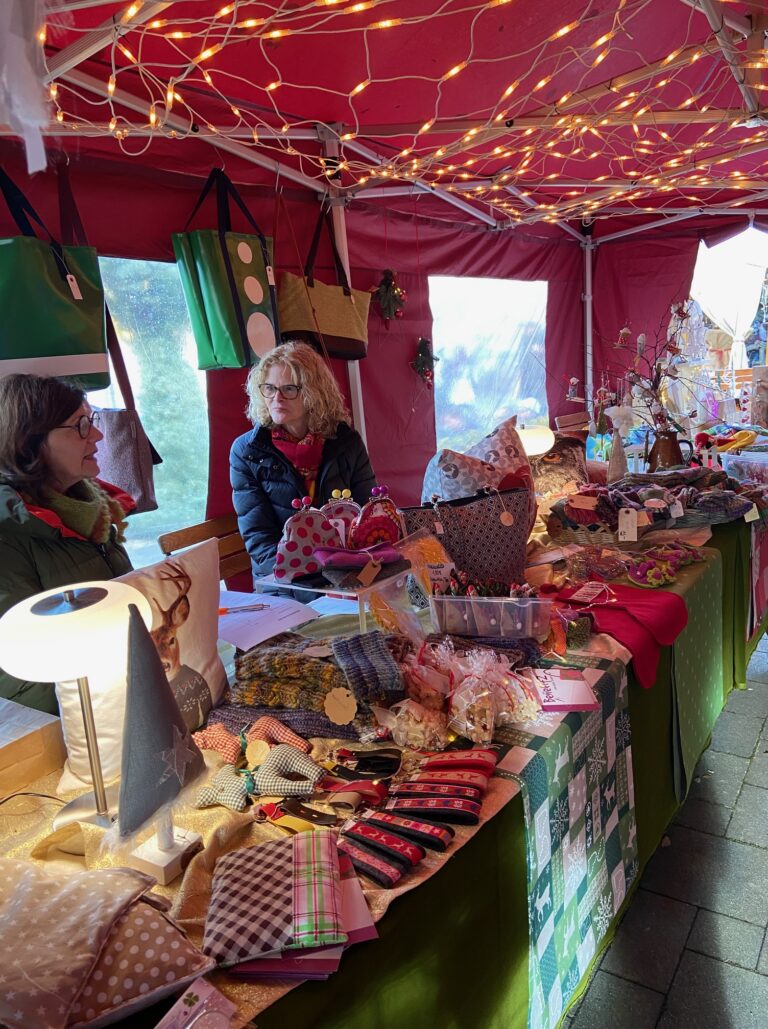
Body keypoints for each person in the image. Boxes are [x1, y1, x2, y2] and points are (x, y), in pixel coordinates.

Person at [0, 374, 134, 712]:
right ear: (29, 441)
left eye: (93, 420)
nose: (99, 435)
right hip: (76, 723)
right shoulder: (9, 535)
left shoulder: (92, 508)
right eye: (81, 425)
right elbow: (16, 673)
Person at [230, 341, 376, 579]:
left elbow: (366, 516)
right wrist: (303, 578)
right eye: (269, 388)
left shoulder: (346, 441)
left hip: (344, 571)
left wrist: (349, 572)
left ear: (313, 393)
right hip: (284, 579)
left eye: (289, 389)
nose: (276, 398)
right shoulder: (246, 451)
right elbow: (259, 538)